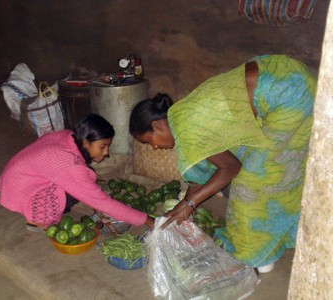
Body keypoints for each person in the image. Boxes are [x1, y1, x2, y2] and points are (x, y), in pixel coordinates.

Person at [129, 54, 316, 273]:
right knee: (277, 169)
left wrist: (190, 204)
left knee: (255, 181)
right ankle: (283, 235)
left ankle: (256, 254)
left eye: (148, 141)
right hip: (283, 70)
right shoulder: (180, 115)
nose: (154, 147)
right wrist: (187, 202)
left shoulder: (187, 130)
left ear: (157, 126)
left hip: (288, 93)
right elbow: (207, 166)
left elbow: (231, 167)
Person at [0, 113, 154, 231]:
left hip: (17, 178)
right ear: (86, 142)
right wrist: (146, 219)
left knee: (87, 176)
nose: (106, 152)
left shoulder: (68, 136)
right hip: (20, 188)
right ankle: (37, 220)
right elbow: (102, 202)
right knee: (79, 187)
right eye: (102, 146)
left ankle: (39, 207)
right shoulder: (68, 163)